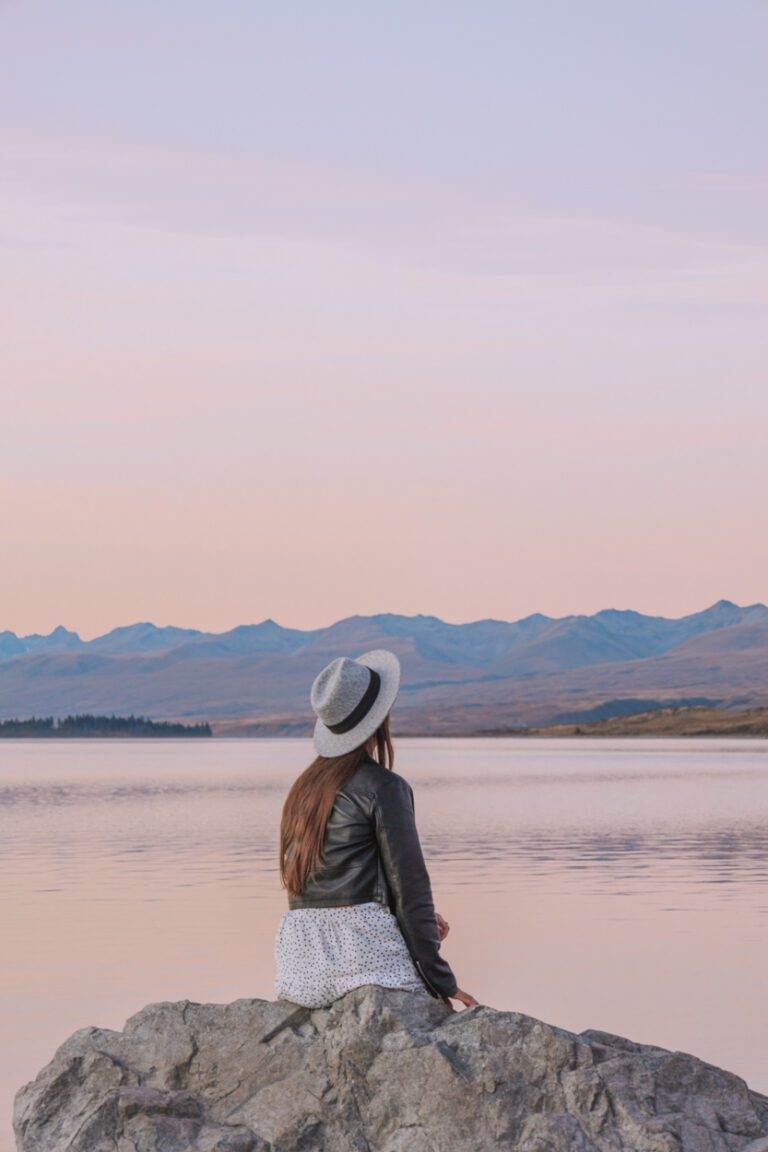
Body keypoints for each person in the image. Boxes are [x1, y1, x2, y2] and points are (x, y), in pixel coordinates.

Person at [275, 648, 477, 1010]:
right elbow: (409, 890)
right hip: (362, 960)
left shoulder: (301, 790)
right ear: (380, 716)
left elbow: (324, 893)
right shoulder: (384, 787)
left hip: (300, 966)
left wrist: (424, 925)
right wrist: (442, 981)